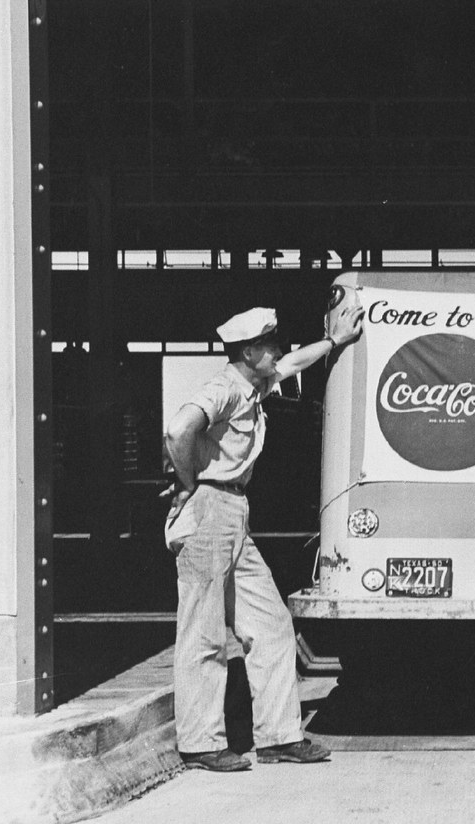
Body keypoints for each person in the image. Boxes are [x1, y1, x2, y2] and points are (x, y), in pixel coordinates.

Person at [164, 302, 364, 771]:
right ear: (249, 352)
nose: (277, 351)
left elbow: (292, 364)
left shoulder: (253, 385)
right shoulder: (223, 388)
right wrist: (189, 483)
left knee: (272, 625)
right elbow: (178, 430)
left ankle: (278, 737)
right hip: (210, 508)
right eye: (269, 345)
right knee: (203, 632)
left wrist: (334, 340)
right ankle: (200, 743)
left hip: (234, 511)